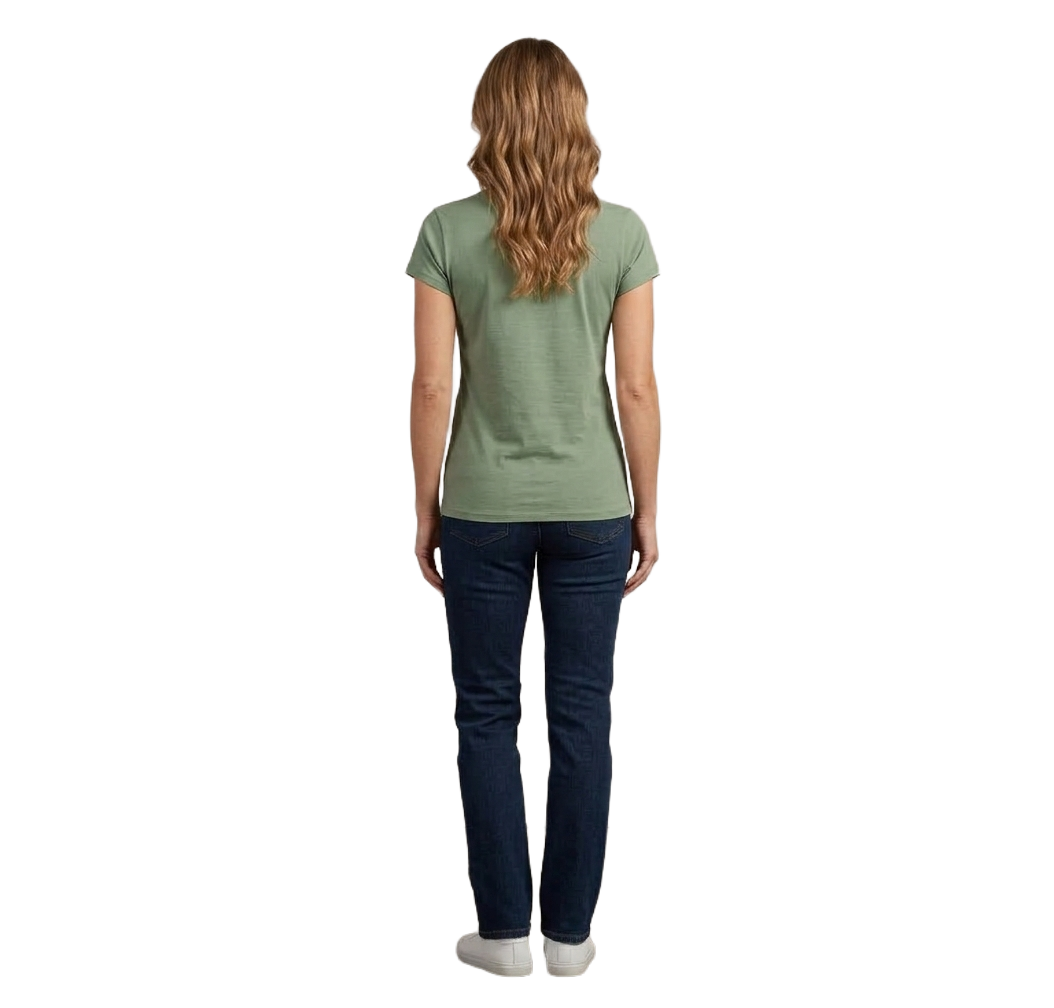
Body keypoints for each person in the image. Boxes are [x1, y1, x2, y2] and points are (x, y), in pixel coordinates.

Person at [406, 38, 660, 978]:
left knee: (486, 715)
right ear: (575, 117)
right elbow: (636, 388)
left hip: (482, 507)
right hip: (595, 506)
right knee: (582, 716)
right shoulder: (622, 235)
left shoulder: (446, 232)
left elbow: (433, 386)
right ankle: (571, 938)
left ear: (490, 118)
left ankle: (505, 935)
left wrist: (426, 507)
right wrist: (647, 509)